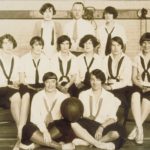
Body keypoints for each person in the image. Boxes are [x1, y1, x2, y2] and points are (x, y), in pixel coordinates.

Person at [20, 72, 70, 150]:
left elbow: (65, 117)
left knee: (66, 124)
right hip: (39, 126)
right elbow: (34, 118)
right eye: (47, 82)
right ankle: (59, 146)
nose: (50, 85)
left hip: (55, 129)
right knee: (27, 128)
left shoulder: (63, 97)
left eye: (53, 81)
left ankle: (38, 143)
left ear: (56, 82)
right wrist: (44, 131)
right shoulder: (37, 96)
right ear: (44, 83)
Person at [78, 69, 125, 149]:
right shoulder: (83, 94)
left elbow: (113, 118)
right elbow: (79, 115)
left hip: (103, 125)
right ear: (89, 81)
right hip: (87, 124)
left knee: (118, 132)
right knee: (73, 124)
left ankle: (92, 142)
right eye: (92, 79)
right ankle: (103, 143)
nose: (95, 82)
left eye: (98, 80)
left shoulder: (110, 96)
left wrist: (101, 127)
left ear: (102, 81)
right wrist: (85, 118)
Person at [0, 34, 29, 150]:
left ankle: (20, 132)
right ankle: (22, 134)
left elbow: (22, 79)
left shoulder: (17, 59)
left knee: (17, 96)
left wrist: (17, 82)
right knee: (16, 95)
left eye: (10, 43)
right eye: (5, 43)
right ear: (1, 45)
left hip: (11, 89)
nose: (8, 46)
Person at [103, 36, 133, 126]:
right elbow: (103, 75)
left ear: (122, 47)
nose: (115, 48)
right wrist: (105, 85)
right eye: (113, 45)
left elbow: (126, 80)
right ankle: (106, 124)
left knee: (120, 100)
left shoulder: (127, 60)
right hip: (108, 85)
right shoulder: (105, 59)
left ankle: (120, 125)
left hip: (124, 87)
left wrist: (111, 87)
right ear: (110, 47)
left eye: (118, 45)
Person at [128, 32, 150, 144]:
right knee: (135, 96)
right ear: (141, 44)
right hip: (139, 85)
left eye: (149, 43)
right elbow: (133, 78)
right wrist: (141, 86)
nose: (146, 45)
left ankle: (136, 129)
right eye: (144, 43)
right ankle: (140, 129)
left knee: (146, 100)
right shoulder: (137, 57)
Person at [19, 36, 51, 101]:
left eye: (40, 45)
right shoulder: (23, 59)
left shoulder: (46, 59)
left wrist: (43, 88)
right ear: (32, 46)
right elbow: (22, 80)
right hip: (28, 86)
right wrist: (33, 89)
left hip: (42, 86)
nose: (38, 47)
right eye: (36, 45)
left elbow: (48, 78)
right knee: (27, 96)